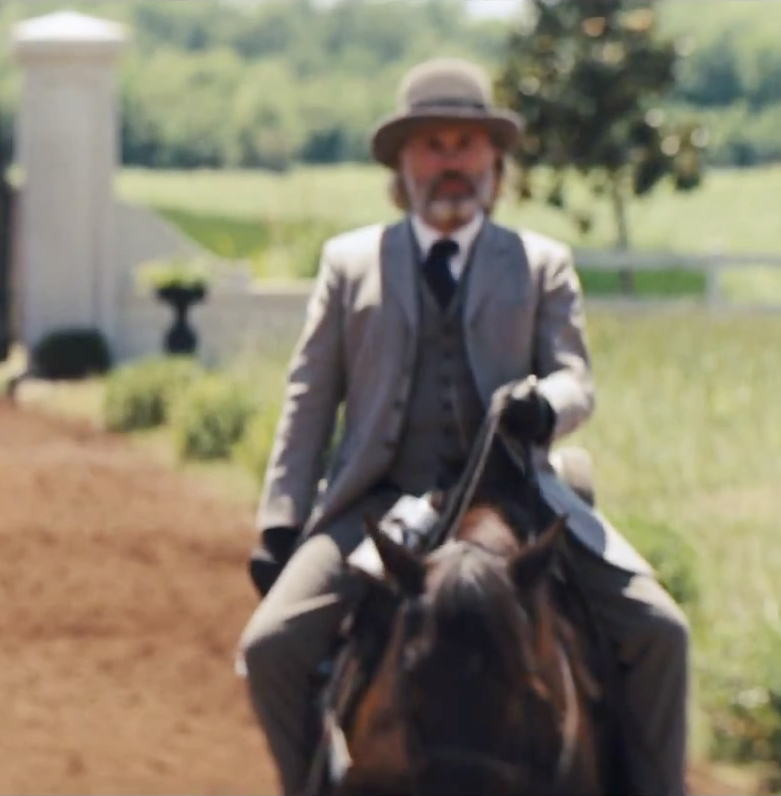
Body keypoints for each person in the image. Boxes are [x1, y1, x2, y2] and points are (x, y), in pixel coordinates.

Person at [234, 58, 692, 796]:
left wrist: (544, 405)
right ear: (403, 164)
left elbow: (575, 377)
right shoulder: (349, 263)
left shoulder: (540, 263)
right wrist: (280, 522)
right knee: (270, 648)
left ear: (494, 161)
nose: (451, 161)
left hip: (518, 502)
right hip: (377, 503)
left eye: (466, 144)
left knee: (660, 632)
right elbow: (309, 399)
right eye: (432, 145)